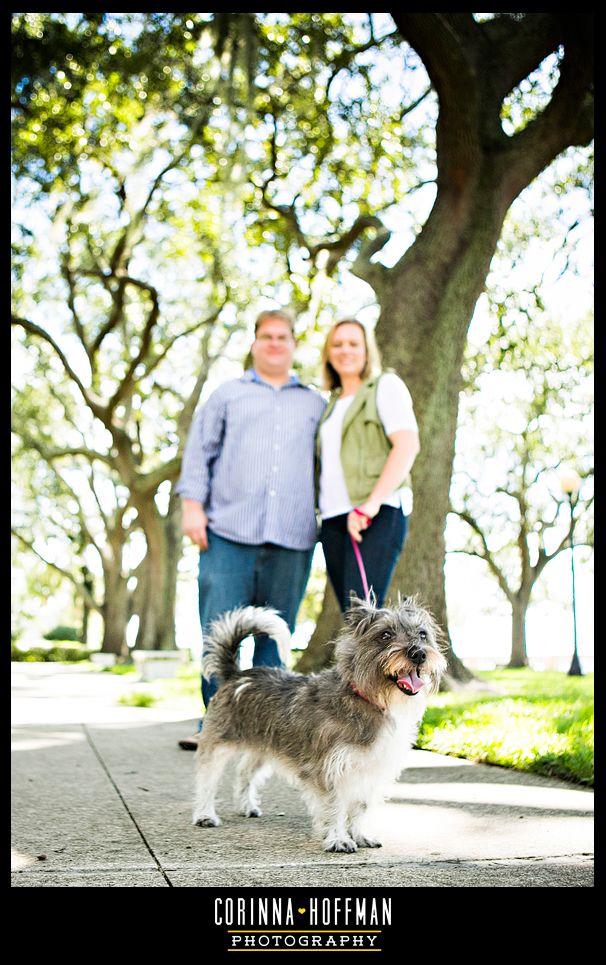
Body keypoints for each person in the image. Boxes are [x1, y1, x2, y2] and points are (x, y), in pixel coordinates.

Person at [175, 309, 326, 749]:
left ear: (294, 344)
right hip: (226, 533)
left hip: (293, 537)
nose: (275, 343)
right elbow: (198, 453)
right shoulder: (227, 395)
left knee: (276, 638)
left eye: (283, 336)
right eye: (267, 336)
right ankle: (216, 726)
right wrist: (192, 508)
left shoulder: (315, 403)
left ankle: (266, 734)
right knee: (219, 633)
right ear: (255, 343)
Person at [316, 318, 420, 612]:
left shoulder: (385, 386)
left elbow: (407, 445)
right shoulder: (331, 404)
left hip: (374, 513)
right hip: (333, 519)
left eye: (353, 343)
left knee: (366, 617)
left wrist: (370, 505)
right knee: (356, 619)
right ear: (328, 353)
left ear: (366, 350)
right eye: (337, 344)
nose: (345, 350)